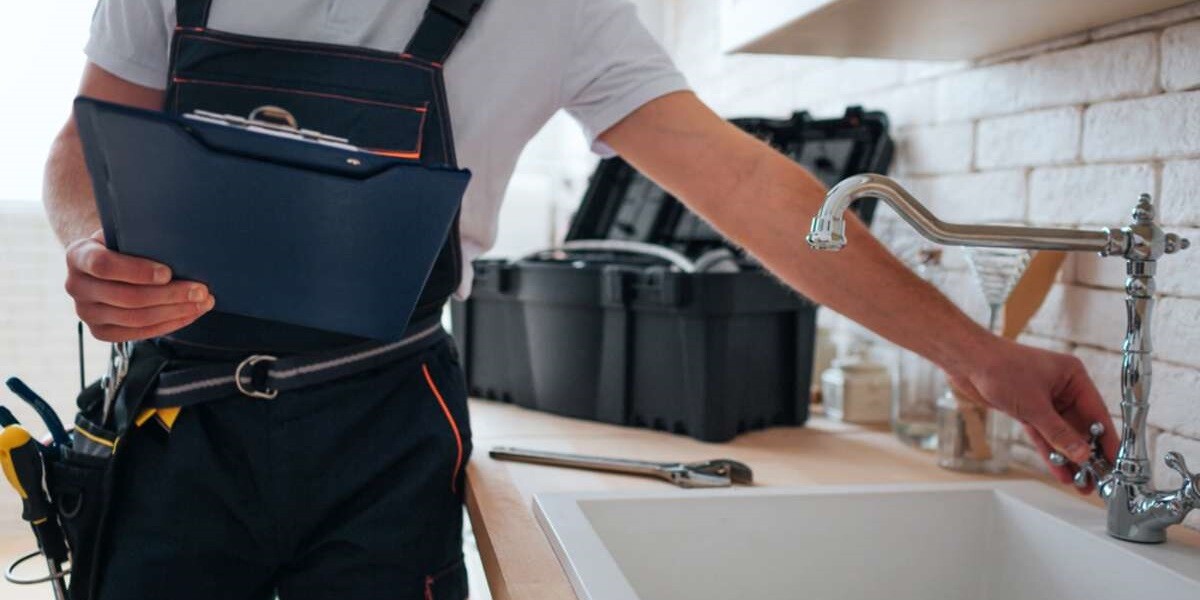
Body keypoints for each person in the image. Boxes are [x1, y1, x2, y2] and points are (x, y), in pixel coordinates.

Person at [43, 0, 1116, 598]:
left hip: (381, 424)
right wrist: (87, 238)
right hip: (179, 414)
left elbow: (745, 183)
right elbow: (80, 144)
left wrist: (981, 358)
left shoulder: (557, 6)